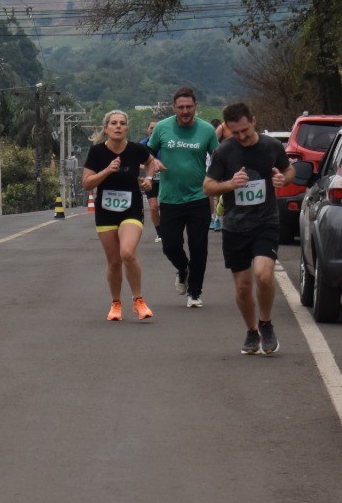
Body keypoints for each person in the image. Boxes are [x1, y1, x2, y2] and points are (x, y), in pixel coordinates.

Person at [204, 102, 290, 355]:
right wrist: (230, 184)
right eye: (235, 132)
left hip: (266, 221)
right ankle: (251, 331)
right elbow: (208, 186)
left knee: (263, 275)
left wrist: (283, 179)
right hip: (235, 226)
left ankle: (266, 324)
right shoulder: (224, 152)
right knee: (243, 286)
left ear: (253, 120)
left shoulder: (271, 146)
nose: (241, 136)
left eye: (245, 130)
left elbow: (289, 171)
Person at [82, 110, 162, 321]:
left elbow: (151, 162)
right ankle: (116, 303)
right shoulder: (97, 152)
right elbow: (87, 183)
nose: (118, 126)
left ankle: (138, 300)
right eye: (114, 123)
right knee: (114, 262)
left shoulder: (136, 149)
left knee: (127, 253)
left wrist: (149, 178)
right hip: (105, 212)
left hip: (131, 209)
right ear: (106, 128)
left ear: (127, 128)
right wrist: (107, 170)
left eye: (122, 123)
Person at [146, 87, 221, 308]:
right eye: (181, 107)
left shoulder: (207, 130)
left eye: (189, 107)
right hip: (169, 198)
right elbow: (147, 153)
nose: (185, 111)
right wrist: (154, 162)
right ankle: (182, 268)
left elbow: (217, 158)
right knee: (170, 246)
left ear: (195, 106)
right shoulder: (162, 128)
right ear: (174, 108)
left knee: (199, 247)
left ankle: (195, 292)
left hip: (198, 197)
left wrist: (216, 180)